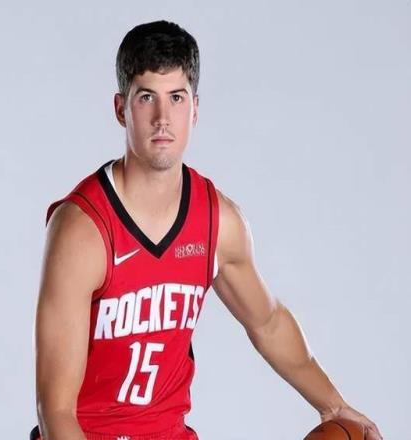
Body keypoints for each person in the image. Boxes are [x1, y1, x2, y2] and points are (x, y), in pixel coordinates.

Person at [31, 20, 383, 440]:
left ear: (194, 109)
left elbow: (267, 322)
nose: (163, 118)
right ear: (121, 108)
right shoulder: (82, 230)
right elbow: (56, 411)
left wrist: (334, 405)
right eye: (147, 97)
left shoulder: (218, 221)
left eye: (176, 98)